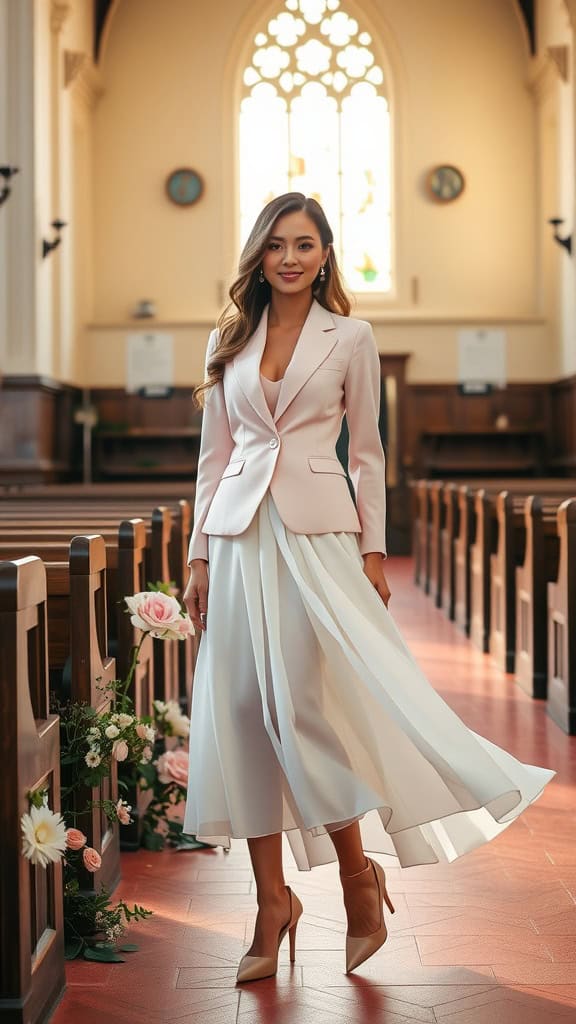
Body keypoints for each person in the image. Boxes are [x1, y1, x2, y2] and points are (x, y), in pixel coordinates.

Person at [182, 192, 554, 984]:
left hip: (319, 537)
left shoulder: (351, 335)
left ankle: (358, 879)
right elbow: (215, 460)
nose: (289, 257)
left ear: (325, 256)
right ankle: (271, 900)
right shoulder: (230, 337)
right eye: (277, 244)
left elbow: (370, 453)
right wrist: (198, 555)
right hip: (238, 538)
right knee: (242, 711)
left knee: (300, 712)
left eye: (305, 244)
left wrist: (375, 552)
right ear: (260, 252)